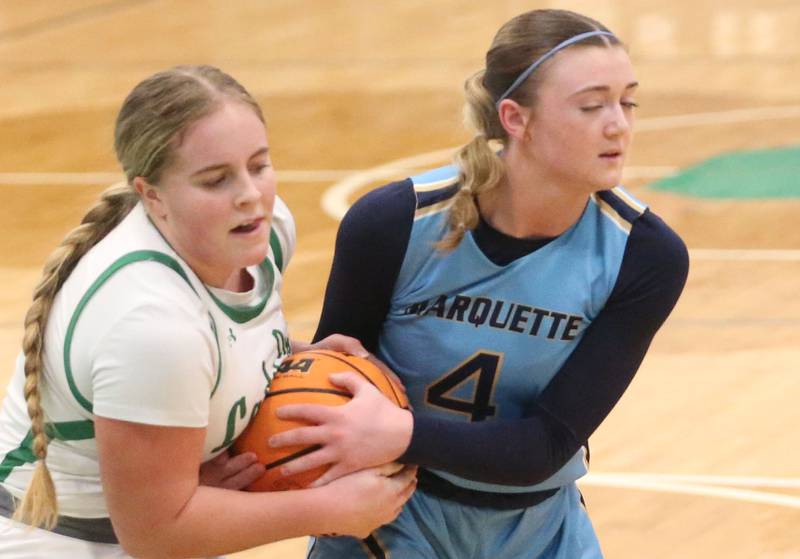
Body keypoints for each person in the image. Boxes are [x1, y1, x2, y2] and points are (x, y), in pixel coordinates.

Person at [268, 9, 689, 558]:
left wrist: (401, 432)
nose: (619, 125)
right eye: (591, 105)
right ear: (516, 118)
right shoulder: (394, 224)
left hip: (538, 527)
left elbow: (547, 444)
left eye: (627, 101)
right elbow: (329, 391)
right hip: (392, 514)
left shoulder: (644, 255)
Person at [0, 65, 416, 558]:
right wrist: (329, 508)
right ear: (151, 194)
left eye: (258, 166)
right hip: (58, 542)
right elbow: (156, 535)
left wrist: (296, 356)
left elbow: (219, 351)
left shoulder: (263, 232)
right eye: (216, 180)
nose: (250, 195)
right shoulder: (151, 323)